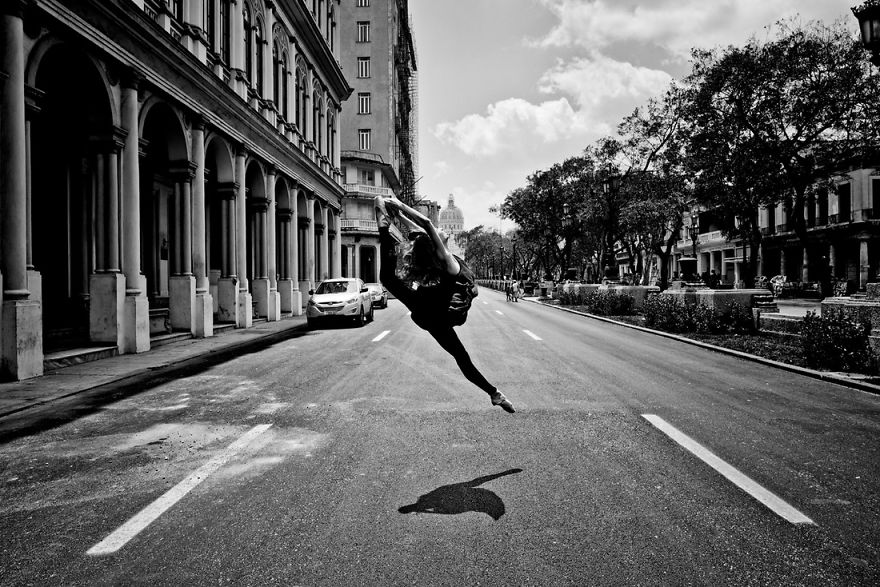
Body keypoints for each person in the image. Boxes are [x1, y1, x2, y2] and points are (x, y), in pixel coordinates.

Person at [375, 196, 515, 413]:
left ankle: (384, 230)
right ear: (436, 244)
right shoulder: (447, 259)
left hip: (428, 310)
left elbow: (428, 226)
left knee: (388, 279)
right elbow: (426, 228)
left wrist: (397, 207)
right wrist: (397, 213)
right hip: (436, 314)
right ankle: (494, 394)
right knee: (462, 358)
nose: (443, 230)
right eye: (441, 233)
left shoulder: (445, 258)